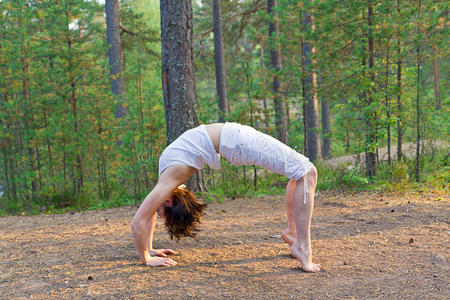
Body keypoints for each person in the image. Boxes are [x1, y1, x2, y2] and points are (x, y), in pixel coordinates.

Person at [131, 122, 321, 272]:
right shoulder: (169, 181)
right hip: (234, 140)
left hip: (236, 140)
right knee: (306, 172)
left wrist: (146, 256)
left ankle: (295, 237)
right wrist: (147, 250)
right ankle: (299, 243)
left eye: (159, 211)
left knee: (303, 174)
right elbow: (147, 214)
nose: (155, 212)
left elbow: (138, 221)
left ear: (169, 201)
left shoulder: (169, 181)